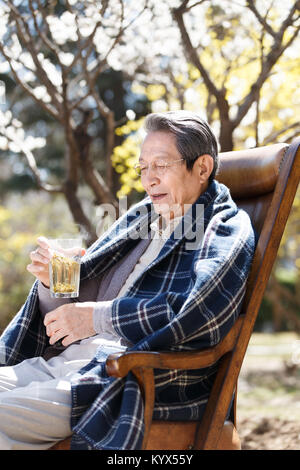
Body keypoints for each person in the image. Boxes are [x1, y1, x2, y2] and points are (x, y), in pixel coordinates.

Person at [0, 111, 256, 450]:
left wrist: (95, 317)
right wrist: (53, 284)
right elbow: (78, 307)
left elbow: (197, 312)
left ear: (203, 168)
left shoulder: (223, 226)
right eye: (143, 167)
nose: (148, 180)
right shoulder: (141, 217)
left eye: (160, 166)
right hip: (67, 362)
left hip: (123, 377)